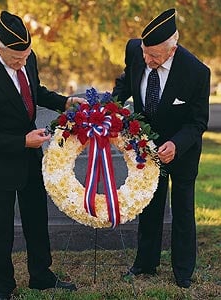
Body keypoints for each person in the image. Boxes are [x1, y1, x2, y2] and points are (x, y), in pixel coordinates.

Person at [0, 11, 85, 300]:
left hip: (31, 158)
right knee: (1, 225)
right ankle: (2, 285)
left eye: (26, 56)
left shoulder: (28, 59)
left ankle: (41, 276)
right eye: (16, 59)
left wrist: (65, 102)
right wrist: (22, 141)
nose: (22, 62)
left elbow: (35, 91)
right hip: (2, 162)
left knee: (36, 217)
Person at [112, 8, 210, 288]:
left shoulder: (196, 72)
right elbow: (124, 85)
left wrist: (176, 144)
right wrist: (108, 109)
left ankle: (182, 271)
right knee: (150, 206)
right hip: (147, 149)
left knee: (182, 210)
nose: (147, 59)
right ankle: (145, 264)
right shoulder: (135, 51)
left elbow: (198, 121)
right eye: (145, 53)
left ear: (172, 49)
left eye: (154, 56)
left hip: (182, 151)